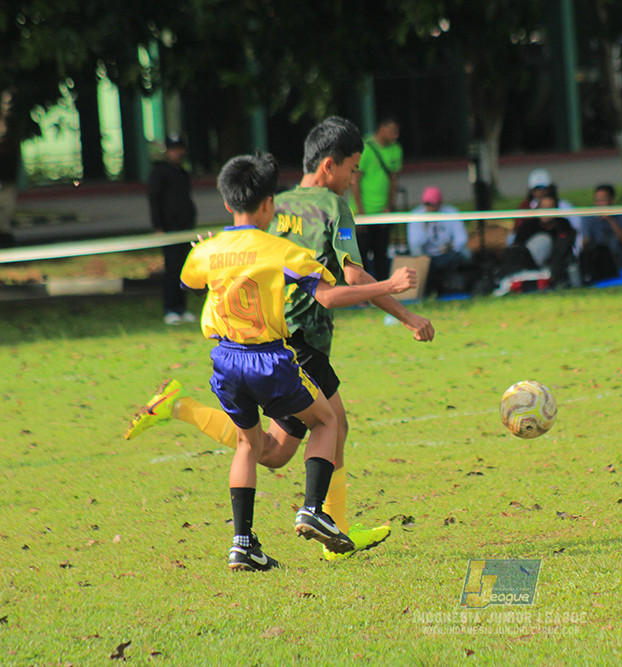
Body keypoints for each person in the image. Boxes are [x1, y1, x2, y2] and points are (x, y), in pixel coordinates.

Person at [126, 116, 435, 562]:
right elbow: (346, 280)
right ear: (329, 166)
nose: (355, 178)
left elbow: (216, 264)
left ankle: (180, 408)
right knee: (332, 424)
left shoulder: (275, 204)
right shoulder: (331, 208)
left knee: (270, 452)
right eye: (352, 168)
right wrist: (401, 306)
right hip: (290, 344)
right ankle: (332, 526)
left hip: (241, 347)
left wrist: (211, 250)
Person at [148, 134, 198, 325]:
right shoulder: (159, 173)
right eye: (174, 149)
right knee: (171, 268)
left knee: (183, 268)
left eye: (180, 149)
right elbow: (154, 201)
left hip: (185, 228)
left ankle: (182, 308)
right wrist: (158, 226)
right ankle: (170, 309)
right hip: (169, 229)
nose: (177, 153)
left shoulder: (183, 173)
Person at [353, 116, 402, 280]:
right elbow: (355, 181)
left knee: (382, 253)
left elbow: (393, 180)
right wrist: (360, 211)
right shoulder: (365, 148)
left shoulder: (396, 149)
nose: (395, 136)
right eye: (392, 131)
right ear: (382, 128)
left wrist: (389, 205)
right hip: (364, 213)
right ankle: (363, 293)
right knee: (362, 255)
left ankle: (383, 291)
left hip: (383, 212)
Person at [502, 192, 577, 287]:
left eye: (549, 208)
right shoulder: (528, 226)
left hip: (554, 267)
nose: (546, 212)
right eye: (543, 208)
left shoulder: (563, 225)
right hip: (528, 267)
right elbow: (517, 248)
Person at [407, 186, 472, 294]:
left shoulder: (451, 213)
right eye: (427, 205)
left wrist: (450, 246)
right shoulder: (417, 216)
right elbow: (414, 244)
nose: (430, 208)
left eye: (432, 205)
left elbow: (462, 238)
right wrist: (424, 227)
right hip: (426, 256)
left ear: (440, 204)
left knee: (465, 255)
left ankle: (453, 287)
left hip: (447, 254)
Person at [579, 184, 622, 284]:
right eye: (597, 200)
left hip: (620, 259)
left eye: (603, 200)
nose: (599, 204)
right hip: (598, 260)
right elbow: (585, 243)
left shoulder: (621, 214)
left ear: (612, 201)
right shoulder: (588, 217)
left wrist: (610, 221)